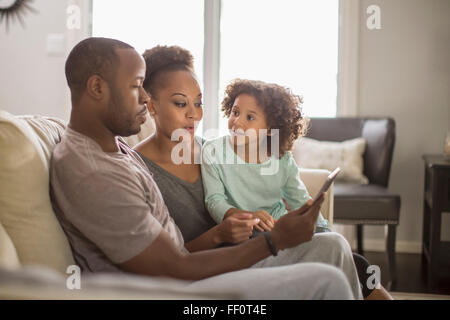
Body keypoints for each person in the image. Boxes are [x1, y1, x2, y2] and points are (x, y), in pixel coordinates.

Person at [50, 37, 357, 300]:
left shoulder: (115, 149)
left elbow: (179, 251)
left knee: (333, 246)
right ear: (96, 87)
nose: (145, 98)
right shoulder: (91, 171)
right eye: (136, 87)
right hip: (178, 290)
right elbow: (171, 268)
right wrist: (274, 241)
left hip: (197, 271)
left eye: (197, 103)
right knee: (328, 277)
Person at [135, 45, 392, 300]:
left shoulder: (211, 148)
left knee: (340, 249)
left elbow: (258, 168)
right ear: (151, 105)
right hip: (212, 270)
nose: (194, 115)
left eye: (199, 103)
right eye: (181, 103)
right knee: (339, 254)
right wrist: (218, 235)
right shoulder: (139, 171)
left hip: (251, 250)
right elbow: (163, 261)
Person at [201, 78, 329, 234]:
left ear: (270, 128)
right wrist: (249, 218)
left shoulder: (283, 160)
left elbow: (300, 200)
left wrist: (324, 230)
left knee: (335, 243)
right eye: (235, 112)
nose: (237, 122)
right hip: (242, 235)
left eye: (250, 117)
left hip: (279, 230)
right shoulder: (212, 151)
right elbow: (214, 201)